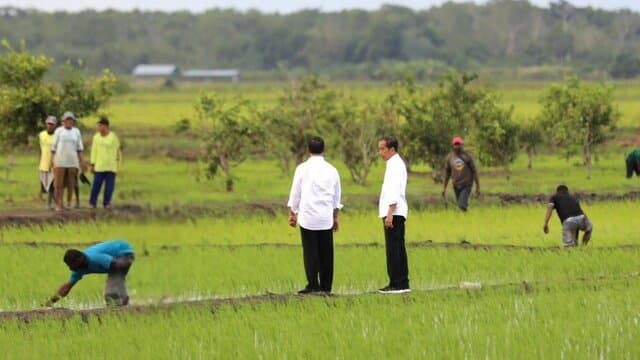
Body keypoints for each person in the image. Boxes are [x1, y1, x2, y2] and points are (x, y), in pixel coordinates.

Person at [287, 136, 342, 295]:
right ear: (324, 150)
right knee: (327, 252)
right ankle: (326, 286)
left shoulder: (302, 169)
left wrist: (292, 213)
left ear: (308, 150)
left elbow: (296, 193)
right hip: (325, 217)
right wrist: (335, 217)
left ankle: (313, 285)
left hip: (307, 217)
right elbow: (336, 197)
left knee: (310, 252)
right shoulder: (332, 170)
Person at [44, 239, 135, 307]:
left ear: (79, 260)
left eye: (71, 265)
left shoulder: (95, 258)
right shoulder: (79, 269)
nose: (71, 269)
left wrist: (126, 266)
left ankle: (121, 308)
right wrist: (50, 302)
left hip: (123, 253)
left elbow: (116, 264)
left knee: (111, 292)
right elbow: (66, 288)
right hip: (116, 260)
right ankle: (123, 305)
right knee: (114, 287)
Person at [377, 135, 410, 294]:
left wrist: (390, 212)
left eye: (382, 149)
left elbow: (395, 190)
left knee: (394, 248)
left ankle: (397, 283)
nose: (380, 152)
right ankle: (400, 281)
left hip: (394, 212)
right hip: (394, 211)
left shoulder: (395, 165)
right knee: (396, 247)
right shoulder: (393, 164)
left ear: (392, 149)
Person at [51, 111, 87, 212]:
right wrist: (52, 161)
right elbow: (53, 148)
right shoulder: (59, 131)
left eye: (71, 120)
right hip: (60, 161)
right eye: (67, 119)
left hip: (72, 162)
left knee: (71, 183)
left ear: (73, 121)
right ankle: (59, 204)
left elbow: (79, 148)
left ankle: (68, 203)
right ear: (64, 121)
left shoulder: (76, 132)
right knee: (58, 184)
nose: (69, 122)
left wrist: (82, 161)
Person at [89, 116, 122, 209]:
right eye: (98, 126)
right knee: (96, 186)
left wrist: (118, 166)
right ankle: (92, 203)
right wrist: (92, 164)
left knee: (109, 188)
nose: (98, 128)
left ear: (106, 126)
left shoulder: (113, 137)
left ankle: (106, 203)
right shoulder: (96, 137)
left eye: (100, 126)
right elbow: (94, 151)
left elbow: (118, 151)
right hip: (99, 167)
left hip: (111, 167)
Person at [442, 136, 480, 211]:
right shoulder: (450, 157)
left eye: (459, 144)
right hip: (456, 185)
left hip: (467, 184)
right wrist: (444, 188)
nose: (457, 146)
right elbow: (447, 173)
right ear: (453, 146)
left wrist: (477, 186)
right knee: (462, 206)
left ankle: (464, 218)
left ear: (462, 145)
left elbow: (474, 171)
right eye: (455, 144)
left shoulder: (467, 156)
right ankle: (466, 220)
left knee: (461, 205)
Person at [38, 116, 57, 209]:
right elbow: (40, 149)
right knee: (45, 186)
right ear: (46, 124)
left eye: (52, 124)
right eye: (48, 124)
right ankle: (58, 202)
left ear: (55, 125)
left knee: (52, 185)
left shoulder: (57, 136)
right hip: (43, 163)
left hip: (53, 164)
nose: (50, 126)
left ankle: (48, 204)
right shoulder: (41, 135)